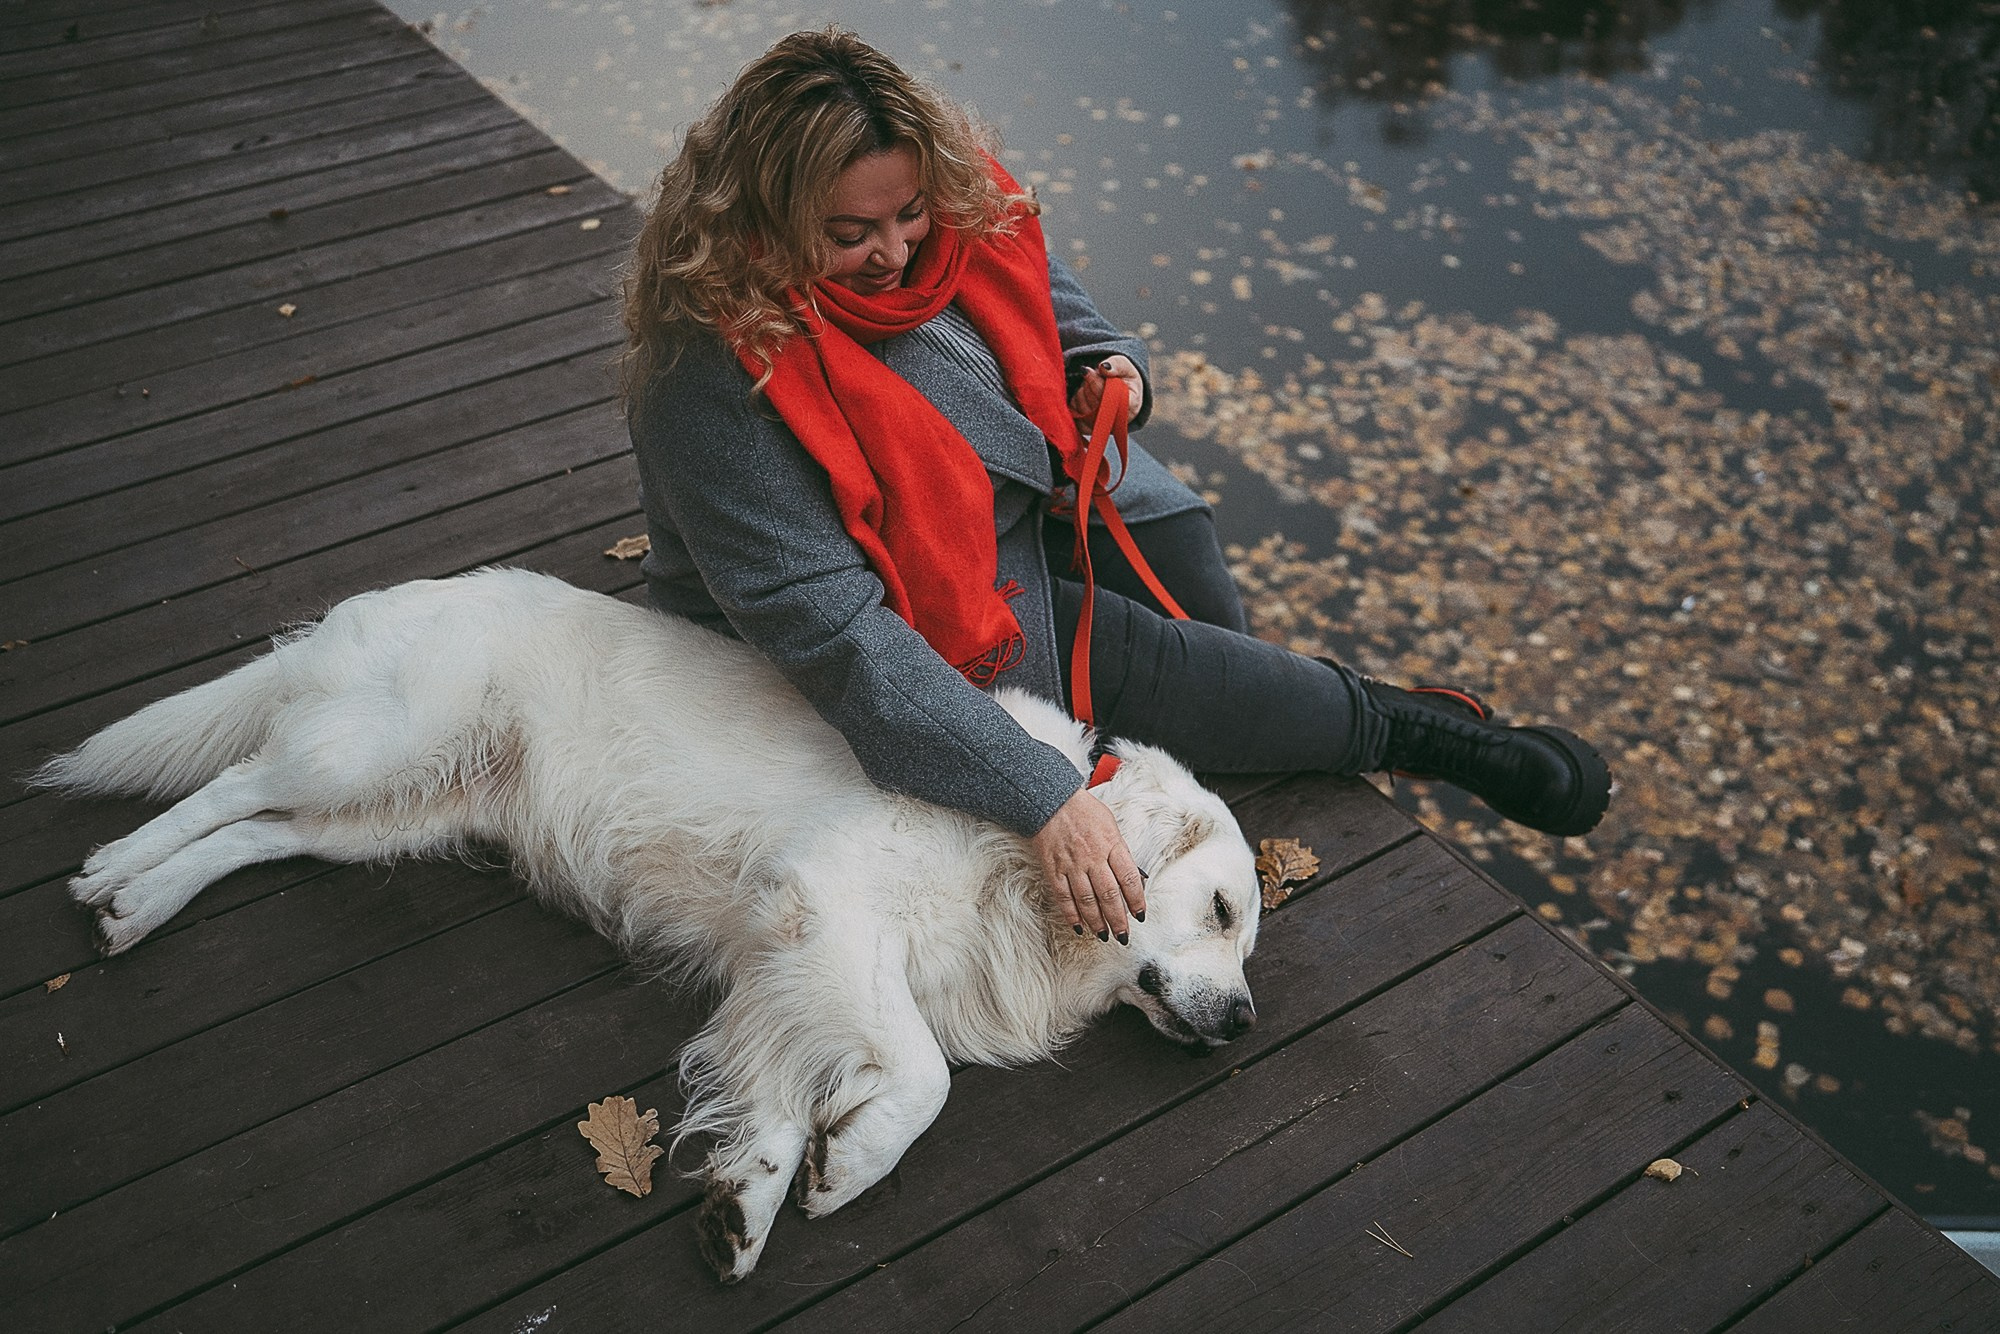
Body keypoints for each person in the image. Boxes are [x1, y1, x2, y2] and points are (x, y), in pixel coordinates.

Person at [619, 29, 1609, 947]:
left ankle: (1267, 716)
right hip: (909, 608)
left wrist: (1117, 372)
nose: (895, 252)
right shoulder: (708, 377)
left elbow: (1065, 317)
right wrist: (1041, 793)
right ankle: (1417, 730)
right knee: (1172, 664)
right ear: (763, 213)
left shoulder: (955, 218)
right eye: (849, 232)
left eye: (908, 213)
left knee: (1183, 548)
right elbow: (837, 635)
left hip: (1016, 508)